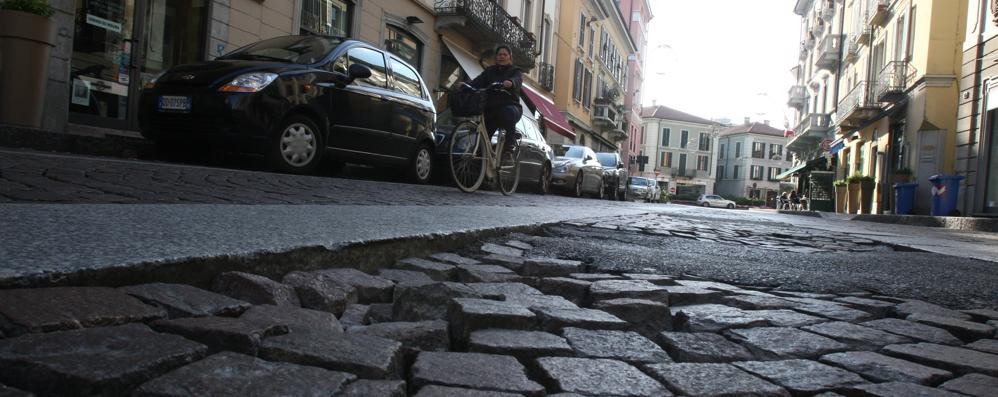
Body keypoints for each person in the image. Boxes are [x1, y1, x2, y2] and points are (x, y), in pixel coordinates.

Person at [467, 45, 523, 150]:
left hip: (511, 107)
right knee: (483, 142)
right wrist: (465, 85)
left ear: (509, 57)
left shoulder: (515, 70)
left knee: (507, 112)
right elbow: (477, 81)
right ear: (496, 57)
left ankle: (510, 146)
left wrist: (511, 82)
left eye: (504, 54)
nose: (501, 56)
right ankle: (481, 157)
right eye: (499, 54)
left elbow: (517, 79)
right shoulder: (490, 71)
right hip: (492, 110)